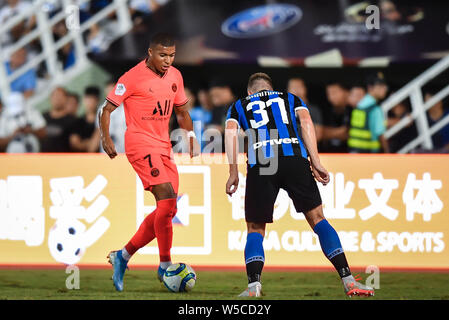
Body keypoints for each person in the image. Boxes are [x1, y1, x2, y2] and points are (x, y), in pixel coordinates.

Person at [224, 72, 374, 297]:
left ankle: (254, 287)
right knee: (318, 219)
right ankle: (349, 280)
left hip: (262, 163)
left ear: (250, 92)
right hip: (294, 158)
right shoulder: (291, 98)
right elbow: (306, 122)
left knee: (255, 229)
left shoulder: (238, 105)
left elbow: (230, 134)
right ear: (271, 87)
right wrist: (316, 161)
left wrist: (233, 172)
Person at [99, 33, 200, 292]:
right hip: (139, 144)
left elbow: (181, 111)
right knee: (166, 198)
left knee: (168, 210)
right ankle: (165, 265)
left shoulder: (175, 76)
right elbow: (107, 109)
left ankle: (123, 255)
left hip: (164, 146)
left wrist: (191, 136)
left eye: (172, 55)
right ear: (150, 53)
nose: (168, 60)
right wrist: (106, 138)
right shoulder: (131, 77)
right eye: (163, 55)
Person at [348, 73, 389, 153]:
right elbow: (380, 134)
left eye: (384, 86)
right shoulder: (375, 108)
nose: (384, 89)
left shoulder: (360, 104)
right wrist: (388, 152)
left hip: (353, 151)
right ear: (370, 88)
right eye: (380, 86)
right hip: (368, 155)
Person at [40, 87, 78, 152]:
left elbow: (75, 143)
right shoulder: (42, 117)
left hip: (63, 159)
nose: (57, 99)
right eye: (55, 96)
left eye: (60, 96)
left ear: (66, 99)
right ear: (50, 98)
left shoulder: (73, 120)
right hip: (43, 158)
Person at [287, 77, 323, 142]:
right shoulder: (282, 109)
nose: (296, 90)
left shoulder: (313, 110)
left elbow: (318, 134)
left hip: (306, 149)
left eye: (299, 87)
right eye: (293, 87)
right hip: (288, 149)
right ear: (288, 90)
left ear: (305, 89)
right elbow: (273, 132)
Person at [322, 82, 352, 153]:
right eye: (329, 94)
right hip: (330, 153)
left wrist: (327, 133)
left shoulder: (353, 109)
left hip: (349, 153)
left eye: (334, 92)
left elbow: (348, 133)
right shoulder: (327, 111)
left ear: (346, 92)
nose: (331, 97)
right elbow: (319, 133)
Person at [70, 86, 101, 152]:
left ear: (97, 101)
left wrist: (85, 143)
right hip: (81, 158)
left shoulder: (102, 121)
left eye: (92, 99)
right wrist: (90, 143)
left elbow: (95, 146)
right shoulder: (78, 121)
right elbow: (74, 143)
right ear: (84, 100)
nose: (90, 102)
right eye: (88, 99)